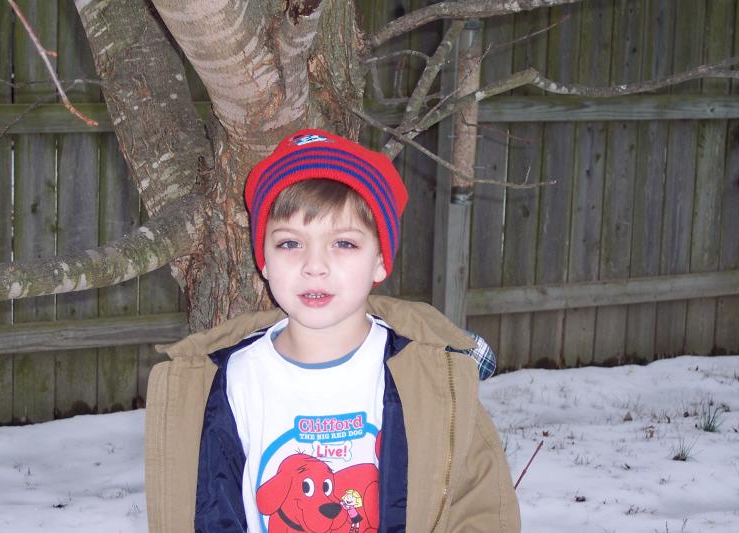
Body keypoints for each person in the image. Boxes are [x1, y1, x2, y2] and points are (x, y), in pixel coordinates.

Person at [144, 129, 520, 533]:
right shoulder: (225, 380)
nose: (315, 266)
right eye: (290, 244)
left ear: (381, 260)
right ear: (263, 260)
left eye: (343, 243)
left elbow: (479, 507)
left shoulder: (433, 376)